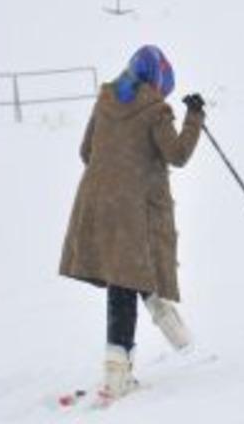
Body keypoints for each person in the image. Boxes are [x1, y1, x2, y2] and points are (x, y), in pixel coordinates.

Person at [59, 45, 206, 402]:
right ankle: (117, 377)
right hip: (129, 211)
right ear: (157, 80)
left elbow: (85, 152)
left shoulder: (105, 101)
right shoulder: (155, 111)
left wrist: (118, 166)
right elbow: (177, 155)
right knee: (125, 282)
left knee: (125, 276)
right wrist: (194, 116)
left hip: (95, 205)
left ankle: (171, 334)